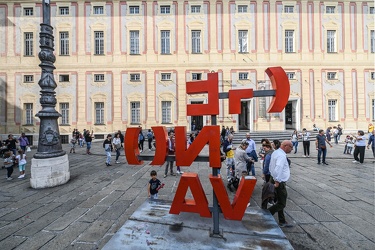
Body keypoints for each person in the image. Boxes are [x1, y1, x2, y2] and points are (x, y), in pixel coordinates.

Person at [268, 140, 293, 228]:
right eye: (291, 147)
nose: (292, 149)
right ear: (286, 146)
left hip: (273, 178)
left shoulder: (276, 152)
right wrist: (277, 181)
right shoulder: (281, 155)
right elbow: (278, 168)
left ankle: (282, 220)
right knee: (282, 203)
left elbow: (271, 166)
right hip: (279, 181)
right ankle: (268, 213)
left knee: (279, 201)